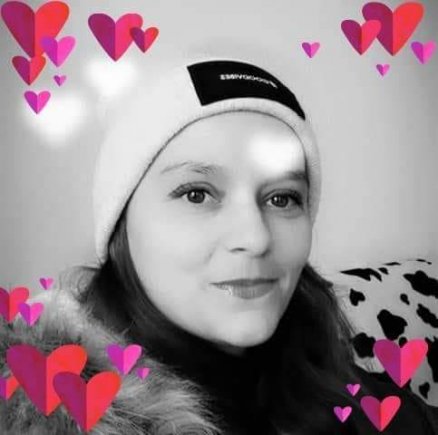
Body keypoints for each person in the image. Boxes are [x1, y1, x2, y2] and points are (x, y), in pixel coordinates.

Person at [1, 54, 437, 435]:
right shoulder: (43, 406)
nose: (256, 237)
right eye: (197, 194)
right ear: (121, 225)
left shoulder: (362, 396)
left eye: (282, 198)